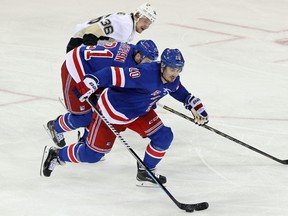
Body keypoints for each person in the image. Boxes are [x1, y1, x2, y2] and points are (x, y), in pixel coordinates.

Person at [41, 48, 209, 187]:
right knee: (92, 156)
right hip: (111, 113)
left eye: (179, 70)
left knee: (164, 136)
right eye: (173, 69)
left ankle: (145, 171)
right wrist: (93, 80)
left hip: (138, 113)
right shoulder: (144, 74)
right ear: (163, 66)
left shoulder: (171, 79)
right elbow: (110, 73)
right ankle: (58, 155)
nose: (175, 74)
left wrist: (191, 102)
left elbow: (177, 89)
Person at [46, 40, 159, 148]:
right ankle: (56, 127)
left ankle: (86, 140)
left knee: (99, 110)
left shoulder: (133, 50)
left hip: (96, 74)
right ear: (139, 56)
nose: (149, 65)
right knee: (84, 116)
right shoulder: (125, 64)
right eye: (148, 61)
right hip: (75, 70)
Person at [66, 2, 157, 53]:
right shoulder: (124, 23)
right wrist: (89, 54)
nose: (147, 26)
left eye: (149, 24)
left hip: (80, 43)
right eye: (145, 21)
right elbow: (92, 31)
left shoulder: (129, 24)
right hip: (78, 44)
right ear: (138, 16)